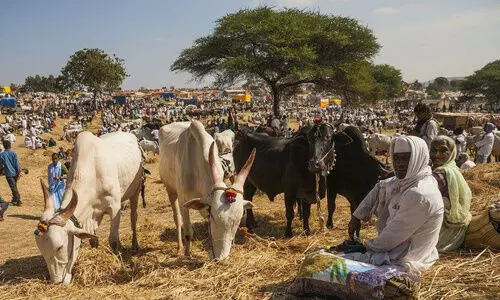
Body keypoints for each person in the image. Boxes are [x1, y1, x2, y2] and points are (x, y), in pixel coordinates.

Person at [346, 136, 444, 274]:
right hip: (393, 249)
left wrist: (365, 247)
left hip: (404, 257)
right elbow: (381, 186)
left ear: (418, 158)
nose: (399, 164)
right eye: (396, 158)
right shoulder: (408, 180)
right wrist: (357, 216)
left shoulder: (420, 193)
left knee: (332, 262)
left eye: (406, 158)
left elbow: (390, 238)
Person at [430, 136, 472, 252]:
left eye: (443, 150)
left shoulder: (440, 174)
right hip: (454, 228)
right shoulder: (453, 168)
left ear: (452, 152)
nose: (437, 155)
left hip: (445, 233)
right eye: (433, 150)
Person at [0, 141, 22, 206]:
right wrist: (19, 171)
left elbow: (1, 165)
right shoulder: (14, 153)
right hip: (15, 172)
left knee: (13, 187)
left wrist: (1, 171)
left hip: (8, 173)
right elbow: (16, 164)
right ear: (10, 146)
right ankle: (15, 199)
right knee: (14, 186)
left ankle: (18, 200)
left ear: (4, 146)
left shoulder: (2, 155)